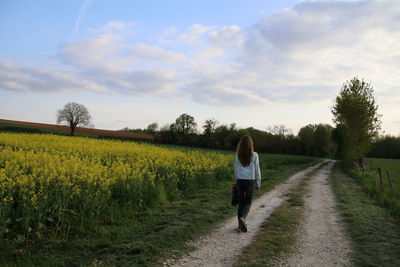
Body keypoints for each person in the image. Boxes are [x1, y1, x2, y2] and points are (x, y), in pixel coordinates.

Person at [234, 135, 261, 232]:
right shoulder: (254, 155)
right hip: (250, 181)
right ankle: (243, 219)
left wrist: (237, 180)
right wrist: (258, 183)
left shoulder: (237, 155)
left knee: (240, 203)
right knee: (248, 203)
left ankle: (239, 225)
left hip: (240, 180)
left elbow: (235, 169)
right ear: (251, 145)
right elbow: (257, 170)